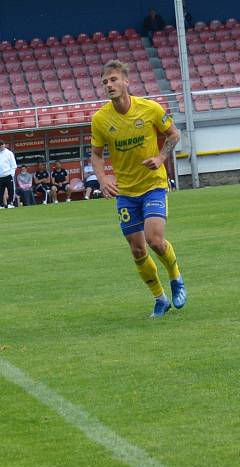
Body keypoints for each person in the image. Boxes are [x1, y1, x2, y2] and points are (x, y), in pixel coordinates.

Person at [90, 60, 186, 318]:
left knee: (154, 240)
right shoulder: (100, 119)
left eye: (113, 80)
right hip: (125, 192)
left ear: (126, 81)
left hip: (153, 185)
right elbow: (96, 155)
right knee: (137, 249)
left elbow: (174, 135)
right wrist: (102, 179)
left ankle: (176, 277)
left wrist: (161, 158)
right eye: (105, 82)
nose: (109, 85)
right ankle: (160, 298)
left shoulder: (151, 109)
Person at [0, 140, 16, 208]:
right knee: (0, 192)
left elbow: (13, 165)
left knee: (11, 190)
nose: (0, 147)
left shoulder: (9, 153)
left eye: (1, 145)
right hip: (0, 176)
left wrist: (11, 175)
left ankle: (10, 203)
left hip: (8, 175)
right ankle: (1, 205)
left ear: (4, 145)